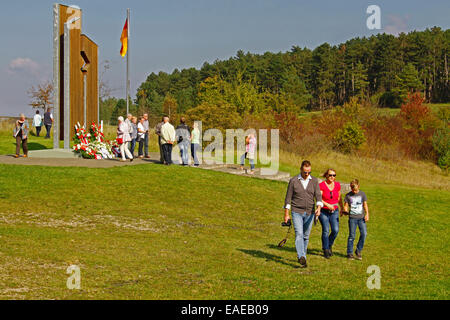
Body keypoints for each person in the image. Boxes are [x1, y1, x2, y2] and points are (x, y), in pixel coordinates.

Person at [284, 160, 323, 268]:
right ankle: (301, 255)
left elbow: (318, 196)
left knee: (306, 236)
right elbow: (288, 198)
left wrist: (318, 208)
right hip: (297, 211)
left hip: (310, 213)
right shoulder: (293, 181)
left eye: (309, 172)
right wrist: (286, 214)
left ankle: (303, 257)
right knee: (299, 234)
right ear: (301, 169)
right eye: (305, 172)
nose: (307, 174)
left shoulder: (314, 181)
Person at [319, 168, 343, 259]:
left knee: (335, 230)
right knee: (326, 230)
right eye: (330, 175)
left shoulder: (337, 185)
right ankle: (325, 249)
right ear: (326, 176)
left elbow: (339, 197)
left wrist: (342, 208)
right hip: (323, 211)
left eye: (334, 175)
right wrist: (327, 205)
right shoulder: (321, 185)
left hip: (334, 210)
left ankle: (329, 245)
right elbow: (318, 198)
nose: (332, 177)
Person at [343, 179, 369, 261]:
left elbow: (365, 205)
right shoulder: (348, 196)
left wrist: (367, 214)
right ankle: (349, 253)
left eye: (356, 189)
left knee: (364, 234)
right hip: (352, 219)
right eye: (352, 189)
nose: (354, 191)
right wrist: (345, 210)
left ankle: (358, 250)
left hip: (361, 218)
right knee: (352, 236)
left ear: (359, 186)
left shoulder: (362, 194)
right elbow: (346, 205)